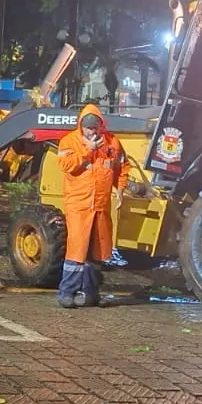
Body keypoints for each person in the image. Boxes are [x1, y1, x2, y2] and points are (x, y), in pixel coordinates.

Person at [55, 103, 127, 307]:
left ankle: (91, 293)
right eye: (88, 128)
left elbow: (122, 167)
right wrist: (89, 150)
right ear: (81, 126)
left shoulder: (112, 142)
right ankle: (66, 293)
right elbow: (66, 165)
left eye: (95, 127)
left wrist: (120, 189)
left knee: (97, 251)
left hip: (101, 206)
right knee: (77, 249)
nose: (92, 131)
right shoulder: (69, 141)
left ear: (101, 125)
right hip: (78, 205)